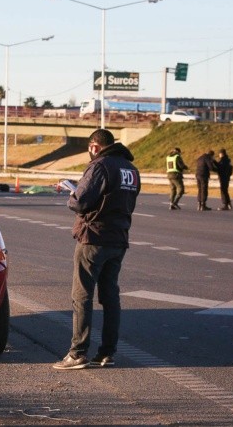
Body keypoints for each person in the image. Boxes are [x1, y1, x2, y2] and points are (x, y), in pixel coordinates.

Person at [53, 129, 141, 370]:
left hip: (93, 237)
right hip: (119, 238)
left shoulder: (100, 165)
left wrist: (72, 194)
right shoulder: (131, 170)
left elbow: (80, 201)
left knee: (81, 296)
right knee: (110, 297)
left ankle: (77, 352)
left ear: (94, 146)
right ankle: (107, 353)